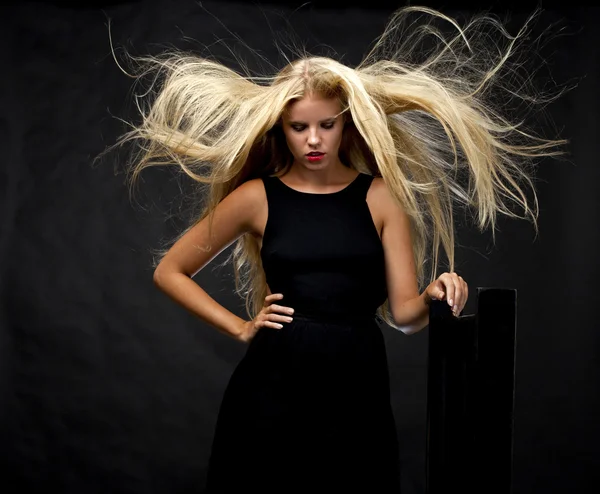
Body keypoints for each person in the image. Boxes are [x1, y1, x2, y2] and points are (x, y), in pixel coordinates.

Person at [113, 6, 565, 493]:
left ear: (345, 125)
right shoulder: (256, 198)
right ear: (279, 128)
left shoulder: (381, 197)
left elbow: (406, 314)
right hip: (270, 392)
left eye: (326, 125)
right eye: (298, 127)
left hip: (357, 390)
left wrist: (435, 291)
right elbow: (170, 270)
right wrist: (241, 327)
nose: (313, 140)